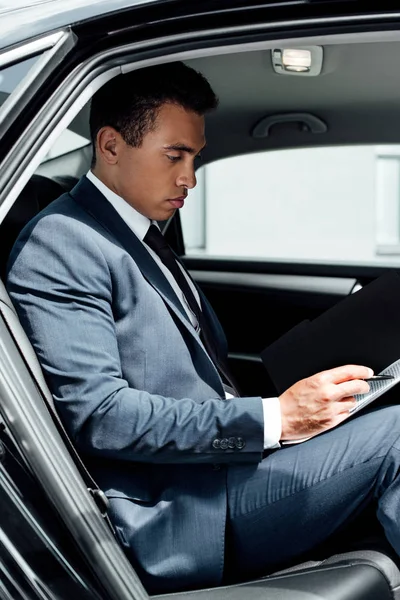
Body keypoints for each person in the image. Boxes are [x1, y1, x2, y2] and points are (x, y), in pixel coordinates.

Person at [6, 61, 400, 595]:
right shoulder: (64, 242)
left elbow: (203, 380)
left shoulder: (143, 239)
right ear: (111, 145)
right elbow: (99, 416)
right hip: (182, 513)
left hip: (221, 475)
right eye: (175, 156)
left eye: (195, 157)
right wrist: (276, 418)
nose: (189, 177)